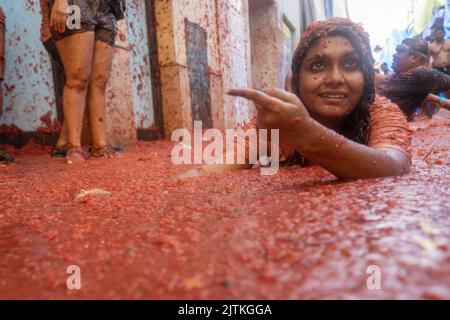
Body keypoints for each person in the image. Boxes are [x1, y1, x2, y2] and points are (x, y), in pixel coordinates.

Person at [180, 18, 412, 181]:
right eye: (318, 65)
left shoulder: (380, 113)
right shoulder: (278, 124)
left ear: (367, 78)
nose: (334, 78)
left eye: (350, 64)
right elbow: (217, 168)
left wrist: (305, 134)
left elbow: (394, 166)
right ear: (294, 82)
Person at [46, 0, 125, 163]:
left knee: (99, 81)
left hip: (108, 8)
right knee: (78, 78)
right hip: (76, 4)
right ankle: (74, 147)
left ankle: (100, 146)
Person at [377, 38, 450, 121]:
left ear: (414, 58)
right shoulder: (404, 76)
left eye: (400, 51)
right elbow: (409, 89)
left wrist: (441, 100)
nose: (394, 55)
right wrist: (439, 100)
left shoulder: (420, 73)